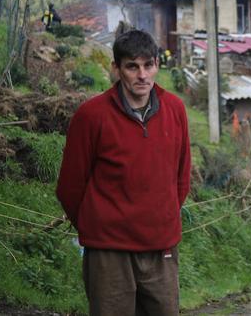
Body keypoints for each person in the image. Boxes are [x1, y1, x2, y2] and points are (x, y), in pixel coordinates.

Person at [56, 29, 191, 316]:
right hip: (109, 251)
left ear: (157, 65)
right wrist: (99, 227)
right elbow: (70, 187)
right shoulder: (91, 116)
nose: (142, 75)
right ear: (116, 68)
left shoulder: (175, 109)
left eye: (148, 65)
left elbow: (181, 176)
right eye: (132, 66)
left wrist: (161, 216)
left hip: (160, 248)